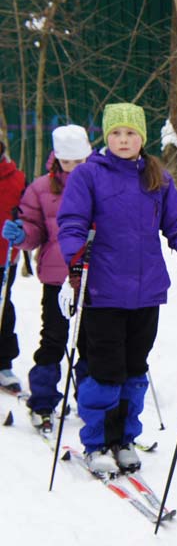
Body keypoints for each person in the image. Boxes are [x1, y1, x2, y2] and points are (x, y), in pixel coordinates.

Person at [58, 103, 177, 474]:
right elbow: (72, 221)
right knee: (106, 371)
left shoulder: (157, 178)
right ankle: (97, 442)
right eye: (116, 133)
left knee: (135, 369)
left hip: (146, 291)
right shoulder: (88, 174)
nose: (123, 140)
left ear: (142, 138)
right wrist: (75, 253)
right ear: (107, 137)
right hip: (103, 290)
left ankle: (124, 438)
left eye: (130, 133)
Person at [3, 126, 92, 432]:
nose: (73, 168)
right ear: (57, 159)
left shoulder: (101, 183)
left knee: (91, 342)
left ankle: (91, 401)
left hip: (95, 276)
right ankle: (42, 402)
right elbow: (34, 229)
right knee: (53, 338)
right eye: (67, 162)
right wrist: (22, 234)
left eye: (79, 161)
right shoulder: (41, 188)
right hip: (57, 276)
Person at [0, 138, 26, 393]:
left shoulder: (17, 178)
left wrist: (23, 226)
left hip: (3, 257)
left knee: (2, 307)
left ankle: (3, 364)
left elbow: (30, 214)